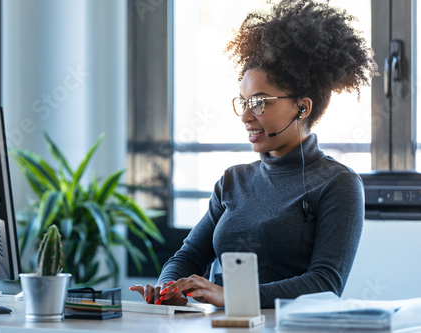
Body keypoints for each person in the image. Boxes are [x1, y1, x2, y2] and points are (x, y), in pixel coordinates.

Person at [130, 0, 377, 308]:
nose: (246, 117)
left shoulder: (338, 183)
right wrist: (167, 288)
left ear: (302, 107)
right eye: (243, 102)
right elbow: (189, 256)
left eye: (259, 102)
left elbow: (325, 284)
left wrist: (233, 297)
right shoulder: (232, 181)